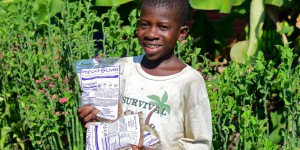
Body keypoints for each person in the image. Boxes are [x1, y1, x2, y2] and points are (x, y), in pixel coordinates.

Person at [77, 0, 212, 149]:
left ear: (181, 33)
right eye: (144, 25)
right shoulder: (123, 68)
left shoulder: (188, 81)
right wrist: (91, 118)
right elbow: (106, 123)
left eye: (163, 27)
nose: (151, 34)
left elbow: (200, 144)